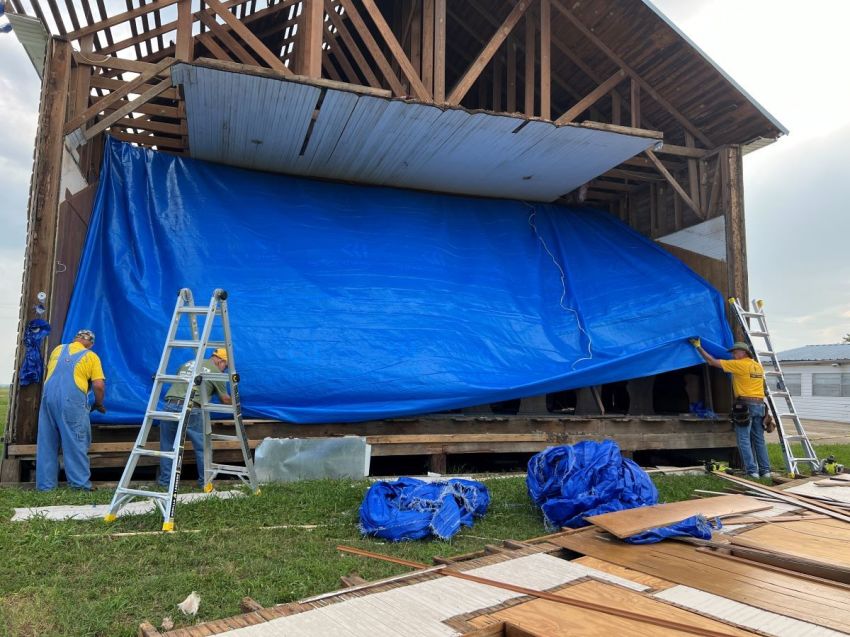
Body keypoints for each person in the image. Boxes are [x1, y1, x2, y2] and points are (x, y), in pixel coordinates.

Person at [36, 329, 106, 491]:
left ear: (75, 339)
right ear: (91, 344)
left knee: (47, 442)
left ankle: (46, 487)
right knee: (75, 441)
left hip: (48, 400)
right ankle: (80, 485)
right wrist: (99, 403)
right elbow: (98, 385)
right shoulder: (91, 356)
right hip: (71, 402)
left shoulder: (58, 350)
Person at [690, 338, 770, 478]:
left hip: (746, 405)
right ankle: (766, 471)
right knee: (759, 440)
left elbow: (711, 361)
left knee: (743, 439)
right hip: (760, 405)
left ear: (742, 353)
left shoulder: (740, 365)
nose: (733, 355)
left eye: (734, 352)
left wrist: (698, 347)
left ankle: (752, 471)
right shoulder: (757, 366)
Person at [158, 348, 231, 488]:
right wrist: (240, 405)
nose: (224, 370)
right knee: (202, 448)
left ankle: (165, 482)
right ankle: (205, 483)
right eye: (225, 366)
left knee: (167, 446)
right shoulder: (216, 373)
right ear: (221, 361)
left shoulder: (189, 363)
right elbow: (225, 399)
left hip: (169, 405)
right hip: (192, 408)